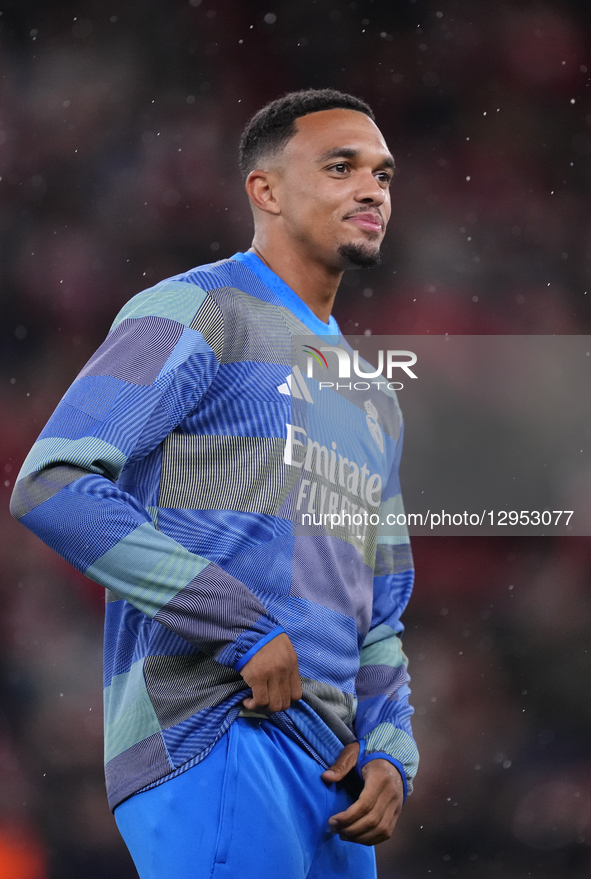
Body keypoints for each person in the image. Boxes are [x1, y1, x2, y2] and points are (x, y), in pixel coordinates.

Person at [10, 89, 418, 879]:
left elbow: (381, 614)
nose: (372, 189)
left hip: (337, 779)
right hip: (216, 731)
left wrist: (392, 753)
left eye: (383, 174)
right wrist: (242, 626)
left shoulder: (373, 396)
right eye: (341, 167)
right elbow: (53, 480)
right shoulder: (201, 308)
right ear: (263, 190)